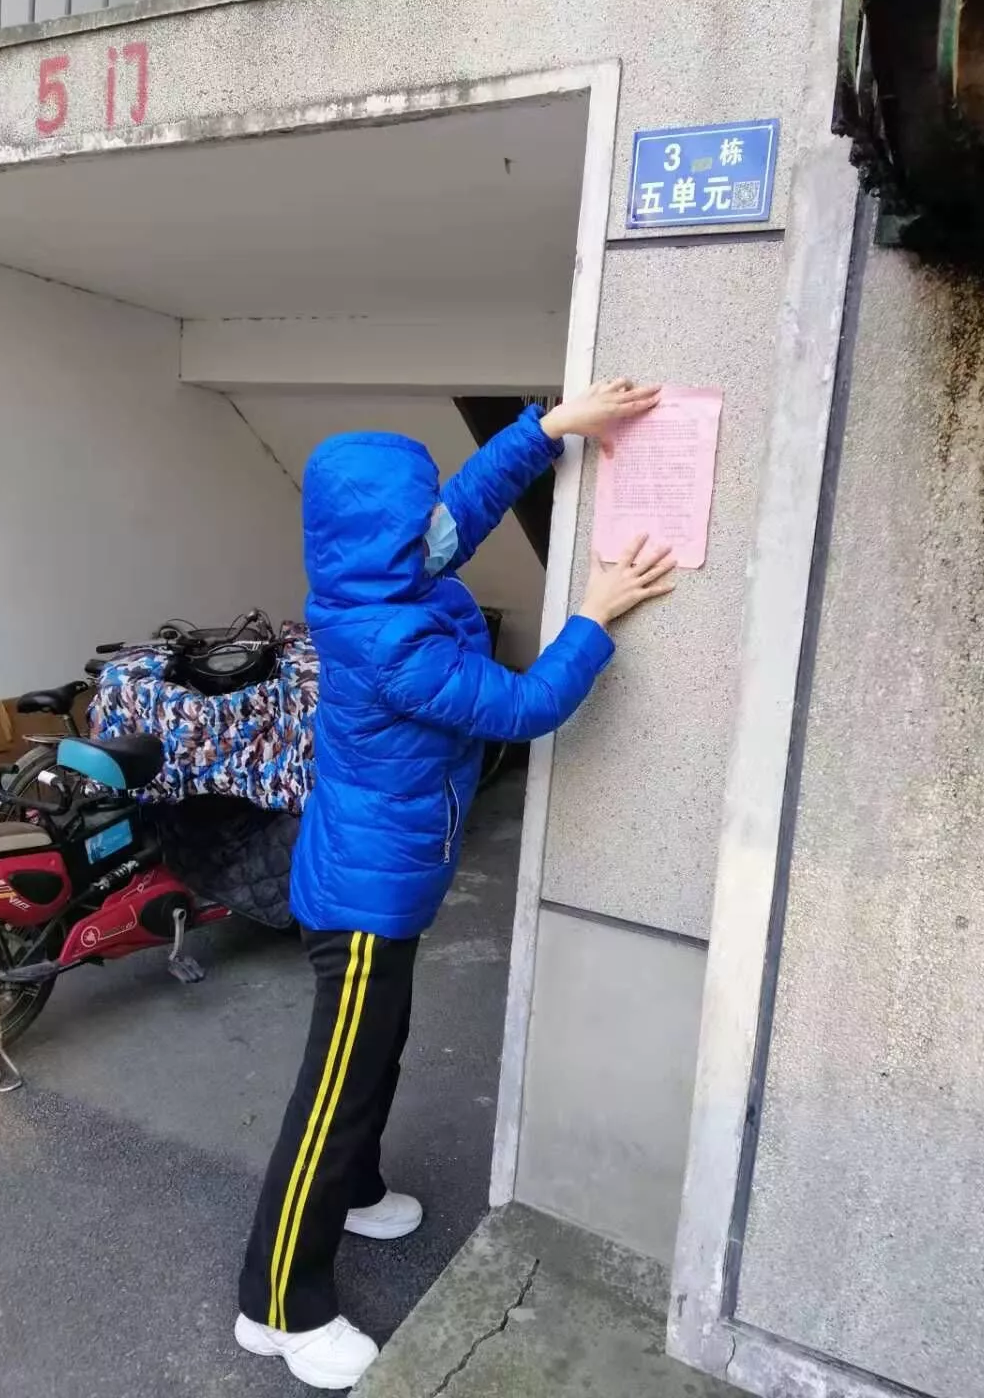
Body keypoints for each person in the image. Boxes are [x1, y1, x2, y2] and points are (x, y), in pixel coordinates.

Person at [234, 381, 676, 1390]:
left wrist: (547, 429)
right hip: (362, 904)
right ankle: (278, 1306)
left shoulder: (374, 578)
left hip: (375, 877)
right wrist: (595, 615)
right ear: (388, 537)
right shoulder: (396, 640)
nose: (441, 520)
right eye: (420, 513)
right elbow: (524, 705)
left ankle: (355, 1190)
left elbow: (459, 515)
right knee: (331, 1099)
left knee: (373, 1060)